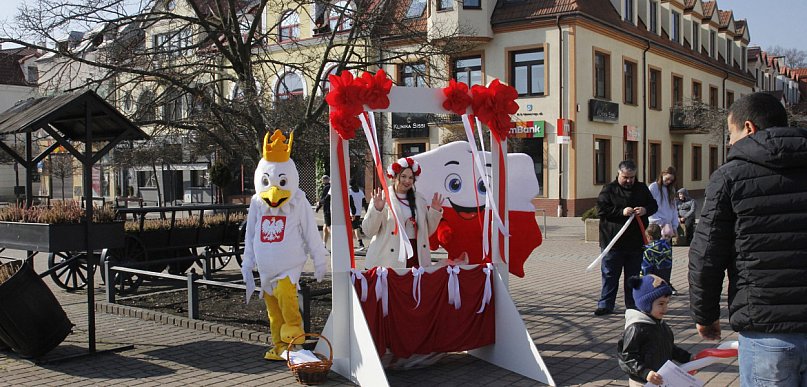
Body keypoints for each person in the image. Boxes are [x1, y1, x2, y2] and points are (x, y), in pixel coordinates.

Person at [689, 92, 807, 385]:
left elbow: (706, 254)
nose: (729, 142)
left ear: (750, 128)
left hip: (767, 332)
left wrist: (705, 316)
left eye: (731, 133)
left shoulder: (729, 176)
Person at [595, 160, 658, 316]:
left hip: (635, 242)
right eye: (626, 177)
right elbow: (601, 209)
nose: (629, 181)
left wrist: (645, 209)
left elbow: (654, 205)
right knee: (610, 275)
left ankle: (633, 304)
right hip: (613, 241)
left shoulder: (641, 188)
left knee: (633, 276)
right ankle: (606, 304)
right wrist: (621, 211)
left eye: (632, 177)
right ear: (619, 174)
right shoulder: (609, 189)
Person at [362, 157, 443, 269]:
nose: (407, 181)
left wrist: (435, 212)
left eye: (411, 177)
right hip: (387, 259)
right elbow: (368, 231)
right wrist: (377, 210)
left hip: (415, 255)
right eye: (403, 176)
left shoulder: (419, 199)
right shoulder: (383, 198)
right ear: (394, 177)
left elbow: (426, 232)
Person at [617, 275, 692, 386]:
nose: (665, 308)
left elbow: (669, 347)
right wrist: (645, 372)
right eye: (661, 304)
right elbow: (627, 356)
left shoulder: (660, 324)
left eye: (667, 303)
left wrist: (687, 357)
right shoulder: (636, 328)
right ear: (646, 304)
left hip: (660, 378)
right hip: (642, 381)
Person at [647, 166, 679, 294]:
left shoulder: (671, 190)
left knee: (666, 257)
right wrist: (658, 222)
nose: (669, 182)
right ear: (662, 175)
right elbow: (650, 206)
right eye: (667, 179)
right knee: (654, 256)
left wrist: (675, 225)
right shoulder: (654, 187)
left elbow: (673, 209)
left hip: (668, 227)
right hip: (656, 226)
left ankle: (666, 282)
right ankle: (654, 283)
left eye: (671, 180)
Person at [348, 179, 366, 251]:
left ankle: (361, 244)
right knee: (353, 228)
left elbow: (350, 202)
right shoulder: (360, 192)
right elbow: (364, 202)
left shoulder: (349, 192)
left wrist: (353, 213)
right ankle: (351, 243)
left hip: (351, 213)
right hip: (358, 212)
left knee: (355, 228)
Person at [314, 175, 331, 245]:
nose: (322, 181)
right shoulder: (330, 187)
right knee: (325, 227)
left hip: (327, 209)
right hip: (328, 209)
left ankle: (335, 240)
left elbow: (324, 199)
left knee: (328, 226)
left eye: (323, 180)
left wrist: (318, 206)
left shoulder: (327, 187)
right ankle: (324, 244)